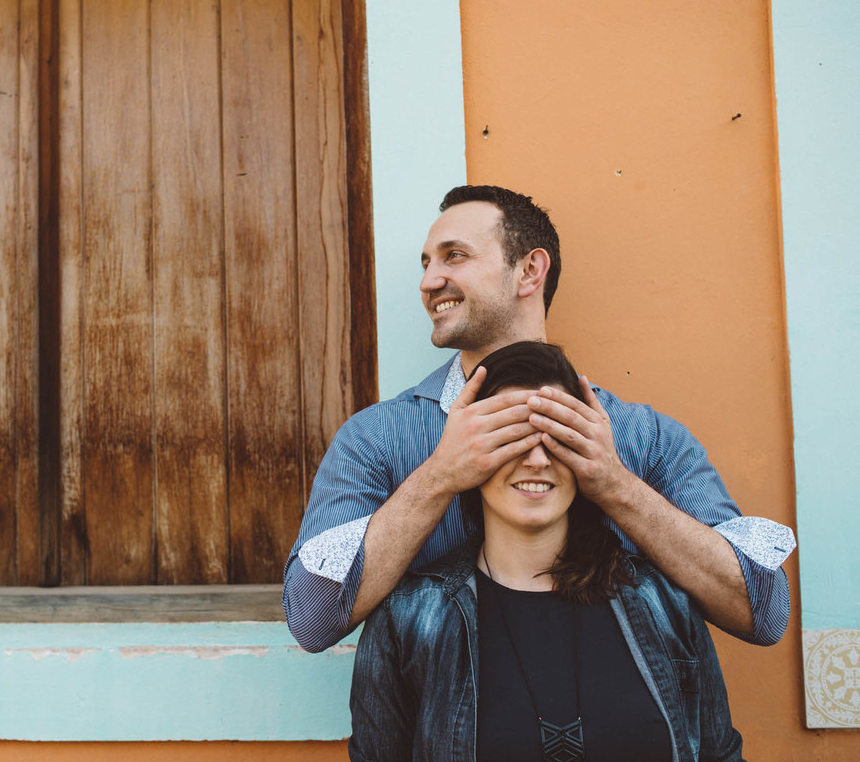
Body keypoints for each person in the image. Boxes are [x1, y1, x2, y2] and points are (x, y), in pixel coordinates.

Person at [283, 184, 793, 653]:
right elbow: (313, 621)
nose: (429, 281)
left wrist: (614, 485)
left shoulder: (645, 437)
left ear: (530, 271)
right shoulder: (376, 439)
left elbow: (763, 613)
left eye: (453, 256)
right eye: (426, 263)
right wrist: (440, 475)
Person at [348, 341, 745, 762]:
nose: (536, 460)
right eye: (512, 437)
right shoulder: (407, 619)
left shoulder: (665, 602)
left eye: (556, 438)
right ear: (468, 457)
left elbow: (719, 752)